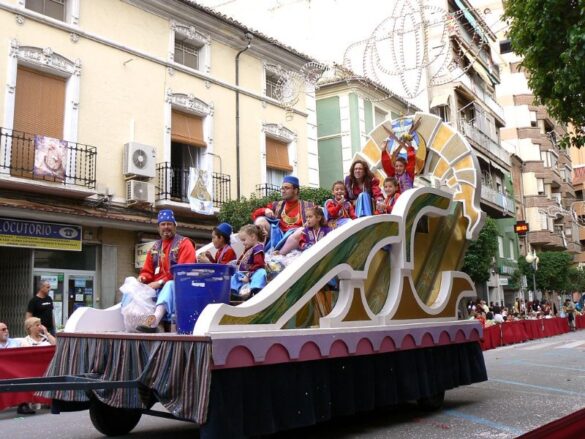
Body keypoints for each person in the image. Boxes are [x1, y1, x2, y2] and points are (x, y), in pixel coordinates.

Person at [135, 209, 196, 333]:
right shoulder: (154, 247)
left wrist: (160, 282)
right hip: (157, 288)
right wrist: (143, 278)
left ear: (175, 226)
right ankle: (134, 323)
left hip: (179, 287)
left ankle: (154, 320)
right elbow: (147, 271)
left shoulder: (185, 243)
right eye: (163, 224)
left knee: (169, 285)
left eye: (169, 224)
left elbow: (183, 272)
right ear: (158, 228)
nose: (166, 227)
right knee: (132, 287)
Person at [252, 176, 313, 253]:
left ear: (295, 190)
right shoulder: (277, 205)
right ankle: (257, 252)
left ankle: (279, 255)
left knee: (301, 231)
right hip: (278, 235)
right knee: (260, 221)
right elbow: (254, 215)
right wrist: (265, 210)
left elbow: (318, 220)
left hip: (295, 238)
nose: (283, 191)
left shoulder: (308, 206)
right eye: (282, 188)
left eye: (286, 188)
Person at [230, 225, 267, 300]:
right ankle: (233, 292)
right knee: (234, 276)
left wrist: (248, 275)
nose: (243, 243)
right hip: (244, 273)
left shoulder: (258, 249)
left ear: (253, 237)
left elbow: (259, 264)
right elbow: (241, 260)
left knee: (261, 272)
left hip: (253, 273)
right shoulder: (249, 248)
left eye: (244, 240)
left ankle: (254, 289)